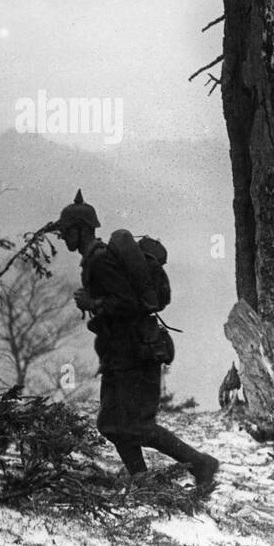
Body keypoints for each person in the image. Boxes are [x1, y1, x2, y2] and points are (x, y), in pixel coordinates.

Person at [54, 190, 219, 489]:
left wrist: (94, 304)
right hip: (118, 354)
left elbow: (128, 304)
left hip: (135, 353)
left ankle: (201, 463)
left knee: (137, 424)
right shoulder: (94, 260)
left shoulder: (101, 261)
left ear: (82, 229)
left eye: (67, 232)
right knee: (110, 424)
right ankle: (141, 479)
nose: (63, 237)